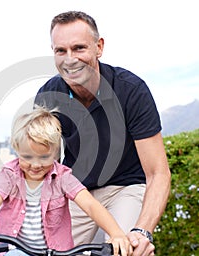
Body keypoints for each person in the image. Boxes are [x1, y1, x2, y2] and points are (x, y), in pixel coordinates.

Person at [34, 11, 171, 256]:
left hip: (125, 187)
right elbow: (47, 167)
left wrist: (143, 231)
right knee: (47, 251)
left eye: (79, 48)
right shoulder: (48, 95)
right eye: (60, 51)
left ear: (99, 47)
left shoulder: (132, 91)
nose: (70, 60)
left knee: (126, 251)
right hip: (77, 190)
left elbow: (158, 173)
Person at [0, 106, 132, 256]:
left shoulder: (63, 177)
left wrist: (116, 233)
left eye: (44, 157)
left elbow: (90, 204)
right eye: (27, 157)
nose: (35, 165)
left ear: (55, 154)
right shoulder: (10, 174)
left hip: (55, 251)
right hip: (14, 250)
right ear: (16, 150)